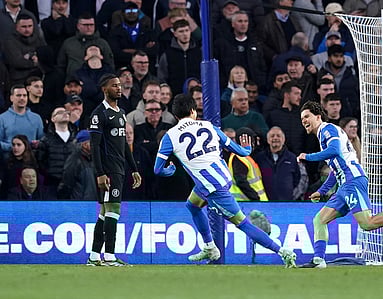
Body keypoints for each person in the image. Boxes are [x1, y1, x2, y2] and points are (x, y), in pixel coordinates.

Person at [153, 94, 297, 267]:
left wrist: (170, 170)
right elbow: (241, 152)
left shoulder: (170, 136)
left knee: (243, 224)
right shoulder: (209, 126)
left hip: (213, 187)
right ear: (193, 111)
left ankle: (283, 251)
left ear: (175, 116)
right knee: (192, 205)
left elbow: (157, 169)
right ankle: (209, 247)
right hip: (219, 178)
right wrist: (247, 148)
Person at [296, 101, 383, 268]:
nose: (304, 120)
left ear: (318, 117)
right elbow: (336, 169)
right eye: (302, 118)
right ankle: (318, 261)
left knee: (367, 223)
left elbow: (334, 150)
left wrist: (308, 156)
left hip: (353, 180)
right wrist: (322, 191)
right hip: (344, 185)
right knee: (319, 220)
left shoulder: (328, 129)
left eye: (307, 116)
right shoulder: (323, 135)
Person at [87, 73, 142, 266]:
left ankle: (94, 256)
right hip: (109, 170)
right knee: (113, 210)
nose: (119, 88)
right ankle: (109, 256)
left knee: (104, 212)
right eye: (114, 86)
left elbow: (124, 144)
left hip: (119, 168)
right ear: (104, 89)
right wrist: (100, 173)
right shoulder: (98, 114)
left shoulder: (120, 112)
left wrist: (133, 168)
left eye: (119, 85)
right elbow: (94, 146)